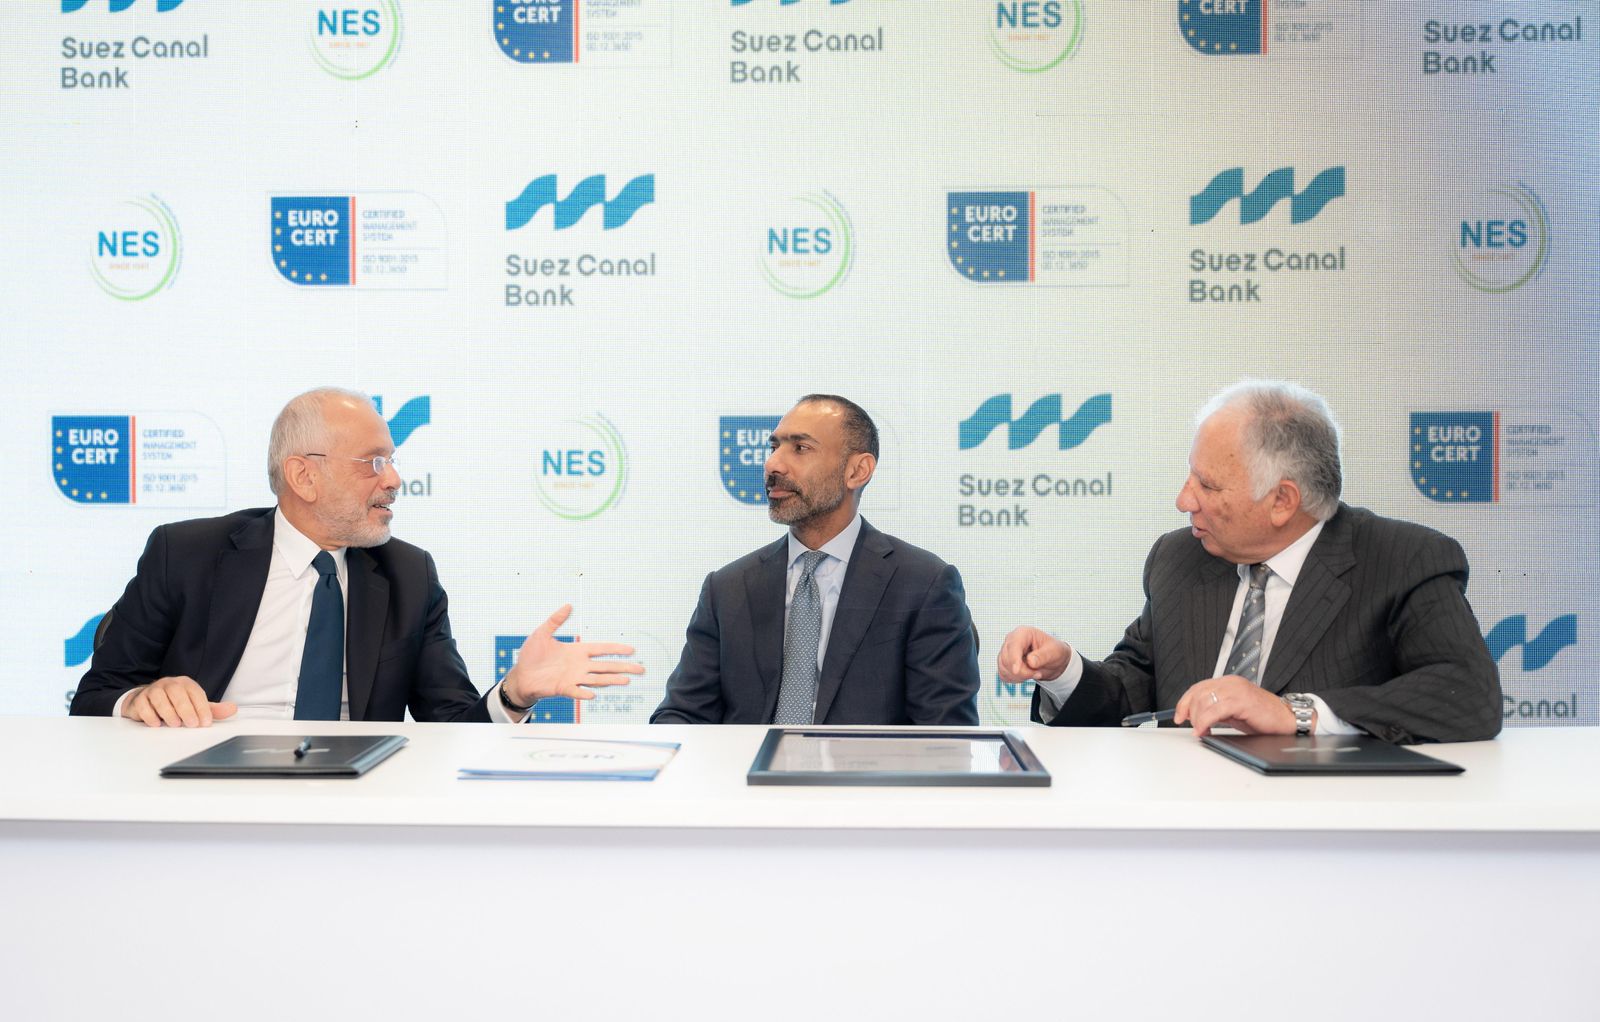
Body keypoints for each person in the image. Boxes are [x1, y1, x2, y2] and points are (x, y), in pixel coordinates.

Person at [71, 387, 642, 727]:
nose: (393, 479)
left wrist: (515, 693)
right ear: (304, 476)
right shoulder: (187, 554)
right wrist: (139, 700)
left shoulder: (409, 576)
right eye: (373, 463)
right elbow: (95, 699)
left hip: (355, 802)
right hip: (207, 789)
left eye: (391, 461)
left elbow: (452, 726)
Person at [998, 380, 1501, 744]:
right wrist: (1064, 671)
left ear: (1282, 500)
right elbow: (1135, 694)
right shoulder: (1179, 557)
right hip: (1185, 816)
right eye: (1190, 476)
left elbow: (1467, 694)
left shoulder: (1402, 559)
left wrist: (1295, 713)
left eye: (1207, 485)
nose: (1183, 500)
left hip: (1326, 827)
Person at [653, 395, 979, 725]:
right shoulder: (727, 588)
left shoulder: (923, 585)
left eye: (800, 448)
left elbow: (946, 736)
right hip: (745, 760)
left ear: (858, 471)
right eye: (774, 447)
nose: (773, 464)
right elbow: (682, 715)